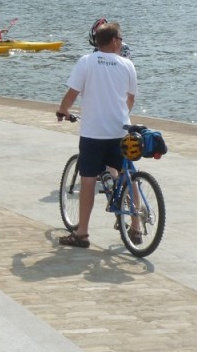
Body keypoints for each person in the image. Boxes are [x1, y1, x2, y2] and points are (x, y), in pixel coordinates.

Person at [55, 21, 138, 249]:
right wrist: (120, 115)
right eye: (120, 38)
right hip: (120, 131)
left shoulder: (86, 61)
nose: (121, 42)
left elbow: (72, 93)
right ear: (114, 41)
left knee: (89, 179)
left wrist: (63, 110)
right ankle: (136, 225)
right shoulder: (127, 65)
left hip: (93, 134)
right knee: (128, 174)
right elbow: (130, 99)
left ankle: (82, 233)